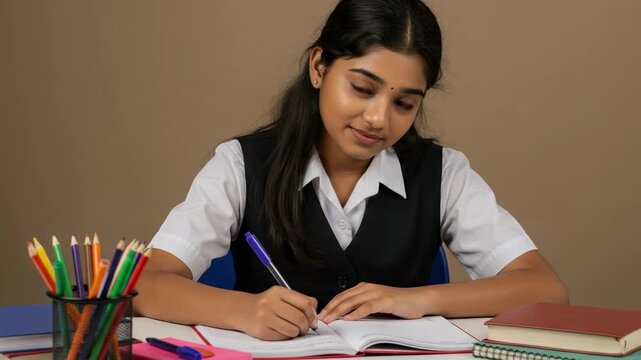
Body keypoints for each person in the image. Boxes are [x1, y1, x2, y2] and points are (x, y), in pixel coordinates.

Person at [134, 0, 568, 341]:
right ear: (319, 67)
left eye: (404, 104)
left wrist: (420, 300)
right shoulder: (239, 165)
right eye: (362, 88)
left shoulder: (444, 174)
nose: (379, 118)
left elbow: (545, 288)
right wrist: (244, 311)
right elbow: (147, 283)